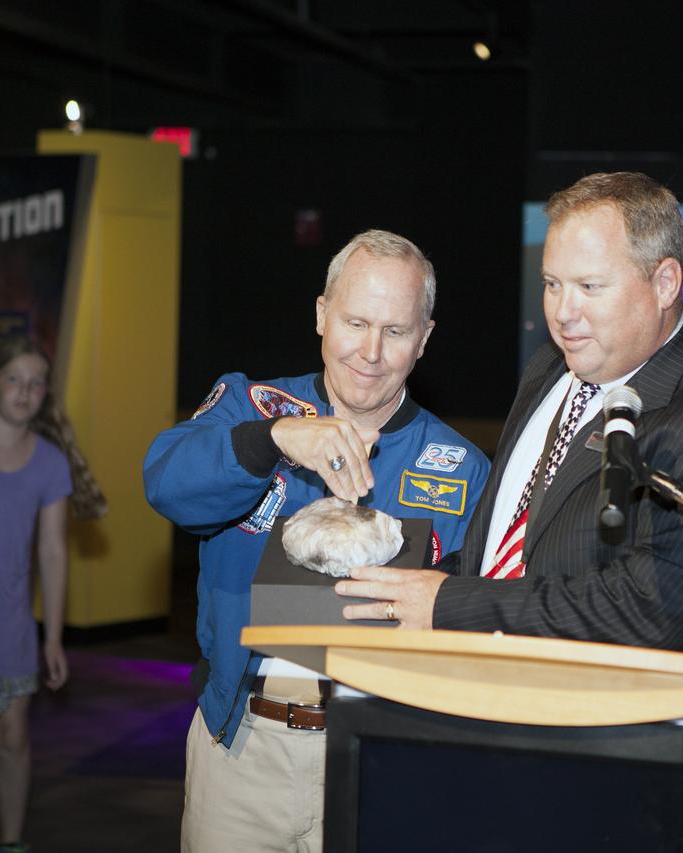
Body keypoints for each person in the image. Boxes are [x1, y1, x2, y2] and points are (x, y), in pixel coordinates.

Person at [337, 172, 683, 662]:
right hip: (493, 704)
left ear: (665, 283)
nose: (563, 312)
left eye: (589, 286)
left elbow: (647, 610)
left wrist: (448, 604)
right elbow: (498, 558)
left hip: (632, 729)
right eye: (553, 284)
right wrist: (393, 587)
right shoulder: (550, 368)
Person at [144, 229, 490, 852]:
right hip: (243, 748)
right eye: (355, 322)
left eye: (395, 331)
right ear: (322, 314)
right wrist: (271, 440)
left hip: (383, 752)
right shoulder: (251, 407)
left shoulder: (461, 467)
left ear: (426, 339)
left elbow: (481, 621)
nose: (371, 352)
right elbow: (165, 485)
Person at [0, 336, 106, 853]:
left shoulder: (49, 462)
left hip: (10, 632)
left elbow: (53, 553)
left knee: (12, 742)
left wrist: (52, 638)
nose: (24, 391)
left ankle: (10, 842)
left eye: (36, 382)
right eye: (13, 378)